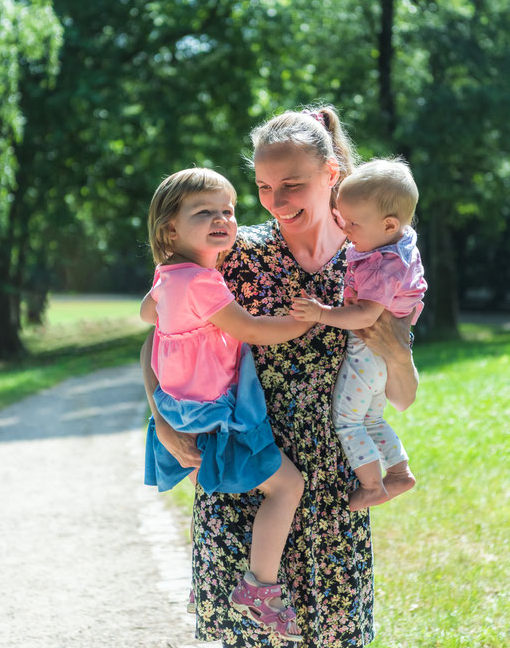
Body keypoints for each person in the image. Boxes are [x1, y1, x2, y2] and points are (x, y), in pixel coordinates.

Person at [140, 106, 419, 647]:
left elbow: (401, 398)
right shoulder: (233, 252)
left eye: (292, 184)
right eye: (265, 187)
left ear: (331, 174)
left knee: (335, 634)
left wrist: (400, 354)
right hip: (248, 461)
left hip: (337, 482)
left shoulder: (373, 263)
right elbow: (160, 334)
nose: (277, 201)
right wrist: (162, 421)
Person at [140, 167, 311, 642]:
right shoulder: (202, 282)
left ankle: (210, 584)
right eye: (204, 212)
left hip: (183, 409)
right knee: (286, 488)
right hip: (216, 413)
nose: (222, 219)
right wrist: (306, 324)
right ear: (170, 228)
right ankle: (260, 589)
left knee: (221, 495)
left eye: (228, 211)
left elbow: (147, 316)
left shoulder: (169, 277)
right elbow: (251, 329)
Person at [291, 158, 427, 512]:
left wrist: (322, 313)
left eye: (353, 223)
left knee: (347, 421)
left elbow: (367, 313)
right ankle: (399, 471)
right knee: (372, 418)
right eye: (341, 219)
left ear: (388, 223)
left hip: (367, 353)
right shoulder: (397, 241)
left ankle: (372, 486)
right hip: (381, 354)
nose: (346, 229)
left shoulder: (382, 264)